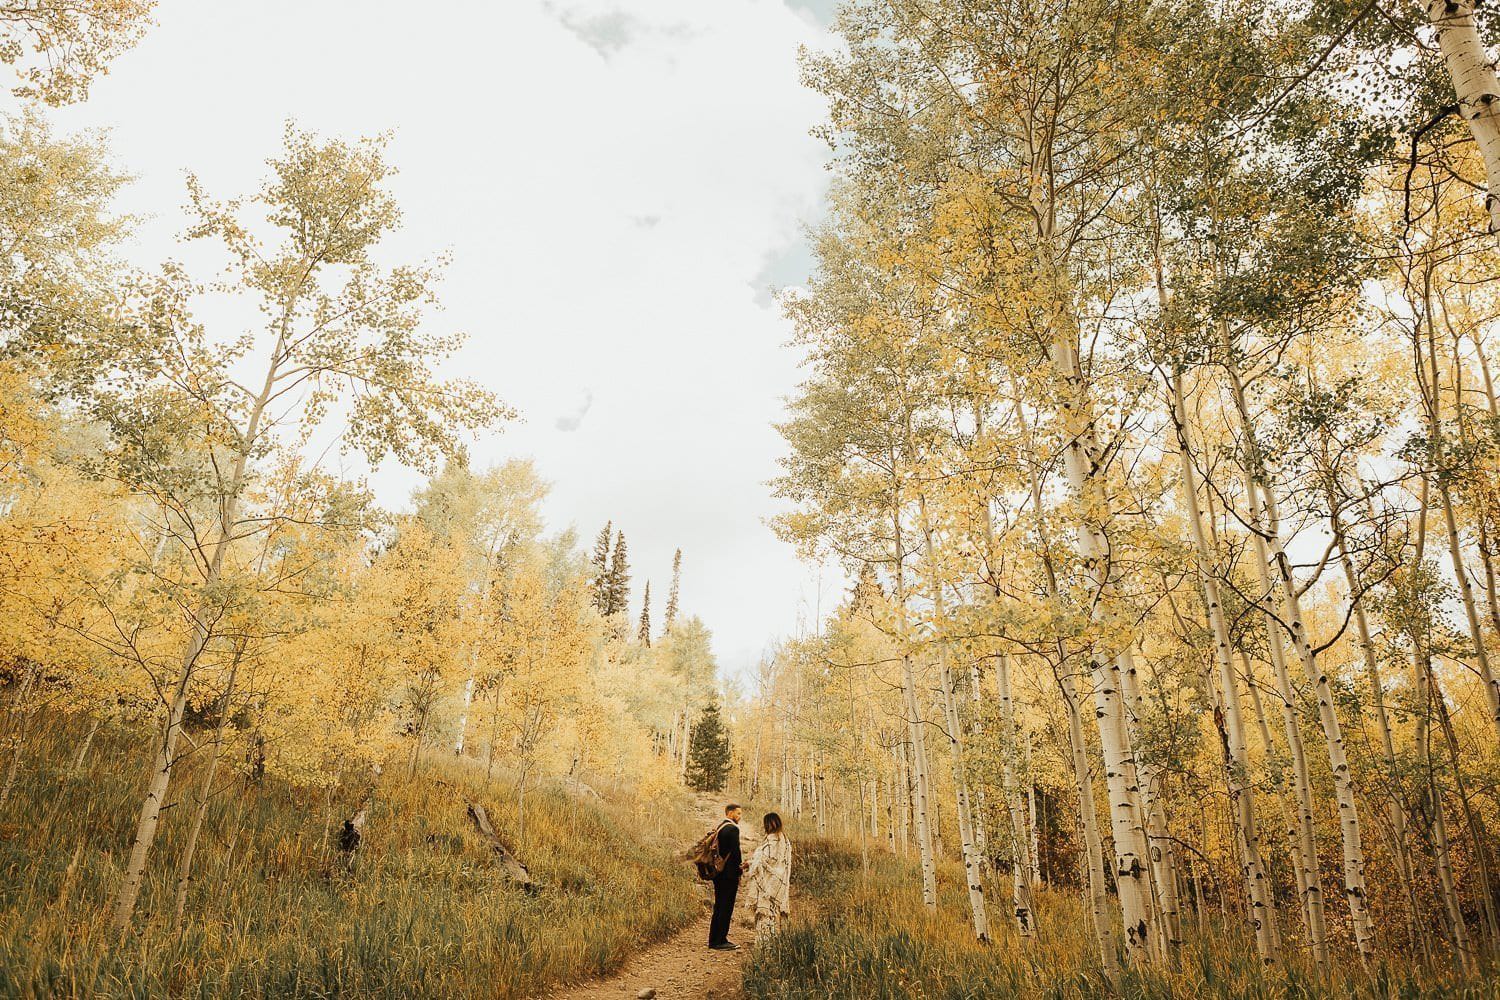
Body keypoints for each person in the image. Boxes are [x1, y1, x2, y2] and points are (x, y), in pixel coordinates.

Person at [746, 811, 791, 945]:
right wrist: (750, 863)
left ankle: (765, 943)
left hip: (769, 882)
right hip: (779, 881)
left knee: (765, 912)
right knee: (771, 911)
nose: (770, 826)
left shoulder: (774, 839)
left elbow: (766, 860)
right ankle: (771, 941)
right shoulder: (784, 839)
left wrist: (751, 863)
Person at [708, 803, 743, 951]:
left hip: (718, 873)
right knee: (726, 907)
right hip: (729, 874)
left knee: (719, 906)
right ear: (730, 813)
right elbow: (736, 853)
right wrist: (740, 870)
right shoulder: (733, 829)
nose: (740, 817)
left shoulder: (721, 826)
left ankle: (714, 939)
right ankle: (720, 940)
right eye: (738, 813)